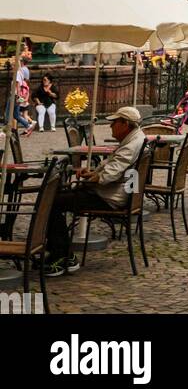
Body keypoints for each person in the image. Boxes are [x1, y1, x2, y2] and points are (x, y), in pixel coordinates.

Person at [45, 106, 146, 276]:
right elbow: (114, 168)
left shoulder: (131, 144)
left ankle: (61, 255)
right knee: (57, 198)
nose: (111, 126)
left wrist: (92, 179)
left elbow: (111, 174)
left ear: (125, 124)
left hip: (109, 197)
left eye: (114, 122)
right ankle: (60, 250)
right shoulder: (137, 138)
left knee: (51, 202)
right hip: (115, 193)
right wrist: (93, 173)